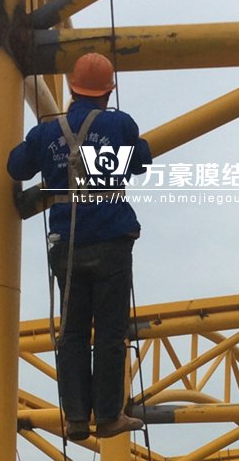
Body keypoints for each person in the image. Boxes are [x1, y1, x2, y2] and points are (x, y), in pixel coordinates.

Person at [8, 53, 151, 441]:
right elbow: (141, 161)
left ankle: (74, 418)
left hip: (67, 244)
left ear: (72, 89)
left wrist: (45, 149)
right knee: (109, 332)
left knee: (71, 332)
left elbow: (17, 167)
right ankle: (107, 416)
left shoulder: (46, 132)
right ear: (108, 93)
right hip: (111, 240)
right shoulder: (119, 124)